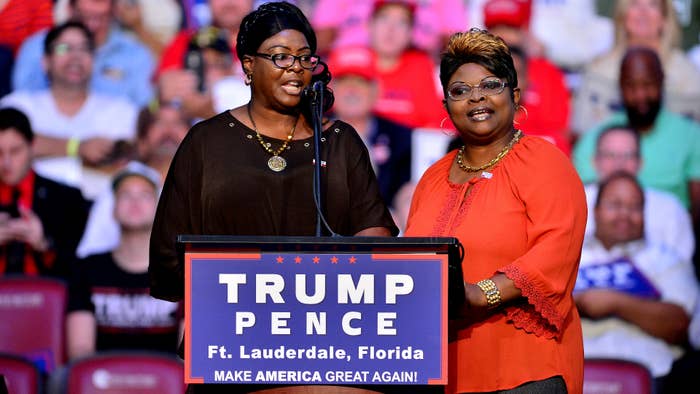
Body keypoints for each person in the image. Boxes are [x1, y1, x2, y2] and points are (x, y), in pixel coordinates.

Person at [149, 2, 397, 392]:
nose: (295, 68)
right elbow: (168, 256)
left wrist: (318, 283)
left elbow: (377, 232)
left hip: (328, 338)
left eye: (304, 58)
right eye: (280, 57)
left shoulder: (339, 141)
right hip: (232, 341)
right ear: (248, 65)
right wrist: (252, 288)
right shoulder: (206, 142)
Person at [404, 28, 587, 393]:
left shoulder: (542, 161)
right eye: (460, 91)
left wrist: (481, 292)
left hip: (525, 369)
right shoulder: (432, 178)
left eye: (490, 85)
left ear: (515, 95)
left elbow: (556, 250)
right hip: (443, 371)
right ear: (446, 106)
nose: (476, 98)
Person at [575, 171, 698, 391]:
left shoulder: (664, 259)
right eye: (615, 205)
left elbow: (680, 325)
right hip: (570, 370)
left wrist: (615, 303)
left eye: (635, 207)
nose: (625, 214)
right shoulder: (571, 255)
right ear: (595, 211)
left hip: (655, 374)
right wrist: (579, 303)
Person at [0, 21, 138, 200]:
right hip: (30, 205)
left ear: (94, 60)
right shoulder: (18, 105)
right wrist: (77, 147)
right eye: (64, 49)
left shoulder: (122, 110)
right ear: (46, 62)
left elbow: (132, 159)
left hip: (102, 208)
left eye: (84, 49)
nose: (75, 57)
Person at [66, 162, 182, 360]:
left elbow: (188, 356)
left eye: (145, 195)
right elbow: (79, 352)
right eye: (126, 195)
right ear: (112, 210)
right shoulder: (87, 269)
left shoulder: (183, 271)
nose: (135, 202)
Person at [572, 47, 700, 219]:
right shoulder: (596, 138)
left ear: (661, 81)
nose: (640, 95)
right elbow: (582, 201)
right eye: (631, 86)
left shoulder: (691, 136)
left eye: (648, 85)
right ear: (620, 86)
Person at [571, 0, 700, 135]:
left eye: (653, 5)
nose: (643, 12)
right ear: (623, 16)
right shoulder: (598, 71)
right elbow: (581, 131)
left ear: (664, 19)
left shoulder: (688, 76)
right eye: (634, 4)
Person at [0, 107, 90, 278]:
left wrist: (44, 244)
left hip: (47, 299)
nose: (6, 162)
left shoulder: (66, 199)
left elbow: (78, 269)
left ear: (32, 146)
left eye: (15, 151)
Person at [11, 0, 155, 107]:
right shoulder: (37, 47)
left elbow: (142, 108)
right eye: (84, 17)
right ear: (70, 9)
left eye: (100, 18)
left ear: (114, 12)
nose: (90, 26)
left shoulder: (136, 54)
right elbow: (24, 104)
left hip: (112, 138)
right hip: (46, 133)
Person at [585, 125, 694, 262]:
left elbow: (680, 265)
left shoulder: (670, 208)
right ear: (595, 162)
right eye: (610, 155)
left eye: (628, 155)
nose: (619, 163)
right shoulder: (574, 204)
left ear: (640, 163)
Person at [327, 45, 412, 208]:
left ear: (376, 90)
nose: (351, 90)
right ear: (330, 89)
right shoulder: (310, 132)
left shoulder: (402, 139)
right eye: (344, 81)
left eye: (360, 82)